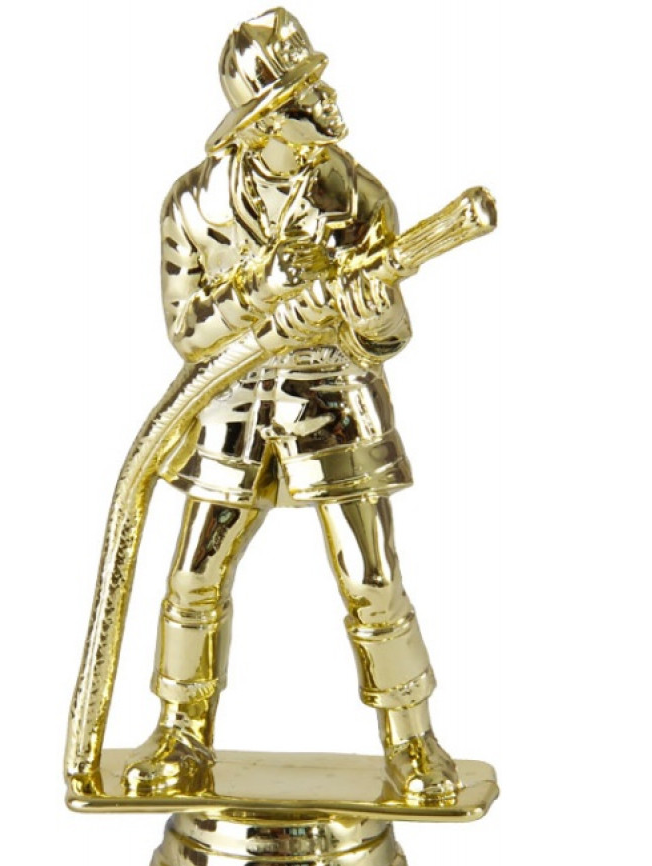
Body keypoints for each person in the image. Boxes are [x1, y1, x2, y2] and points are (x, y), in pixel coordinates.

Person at [123, 8, 460, 803]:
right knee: (194, 574)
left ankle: (412, 740)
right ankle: (180, 732)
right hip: (231, 405)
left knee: (371, 577)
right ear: (268, 118)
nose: (327, 98)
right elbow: (188, 331)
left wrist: (370, 311)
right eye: (308, 92)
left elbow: (390, 335)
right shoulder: (193, 207)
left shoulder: (360, 196)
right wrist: (262, 289)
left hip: (334, 400)